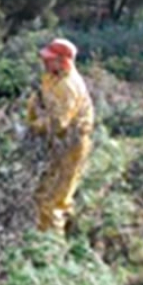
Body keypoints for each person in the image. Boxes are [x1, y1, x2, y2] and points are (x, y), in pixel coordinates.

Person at [27, 38, 94, 234]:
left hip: (72, 144)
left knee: (53, 200)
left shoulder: (68, 87)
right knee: (43, 192)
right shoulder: (52, 77)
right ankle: (59, 233)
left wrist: (33, 127)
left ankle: (51, 249)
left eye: (50, 59)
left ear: (63, 61)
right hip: (58, 143)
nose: (45, 62)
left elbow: (58, 123)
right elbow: (41, 99)